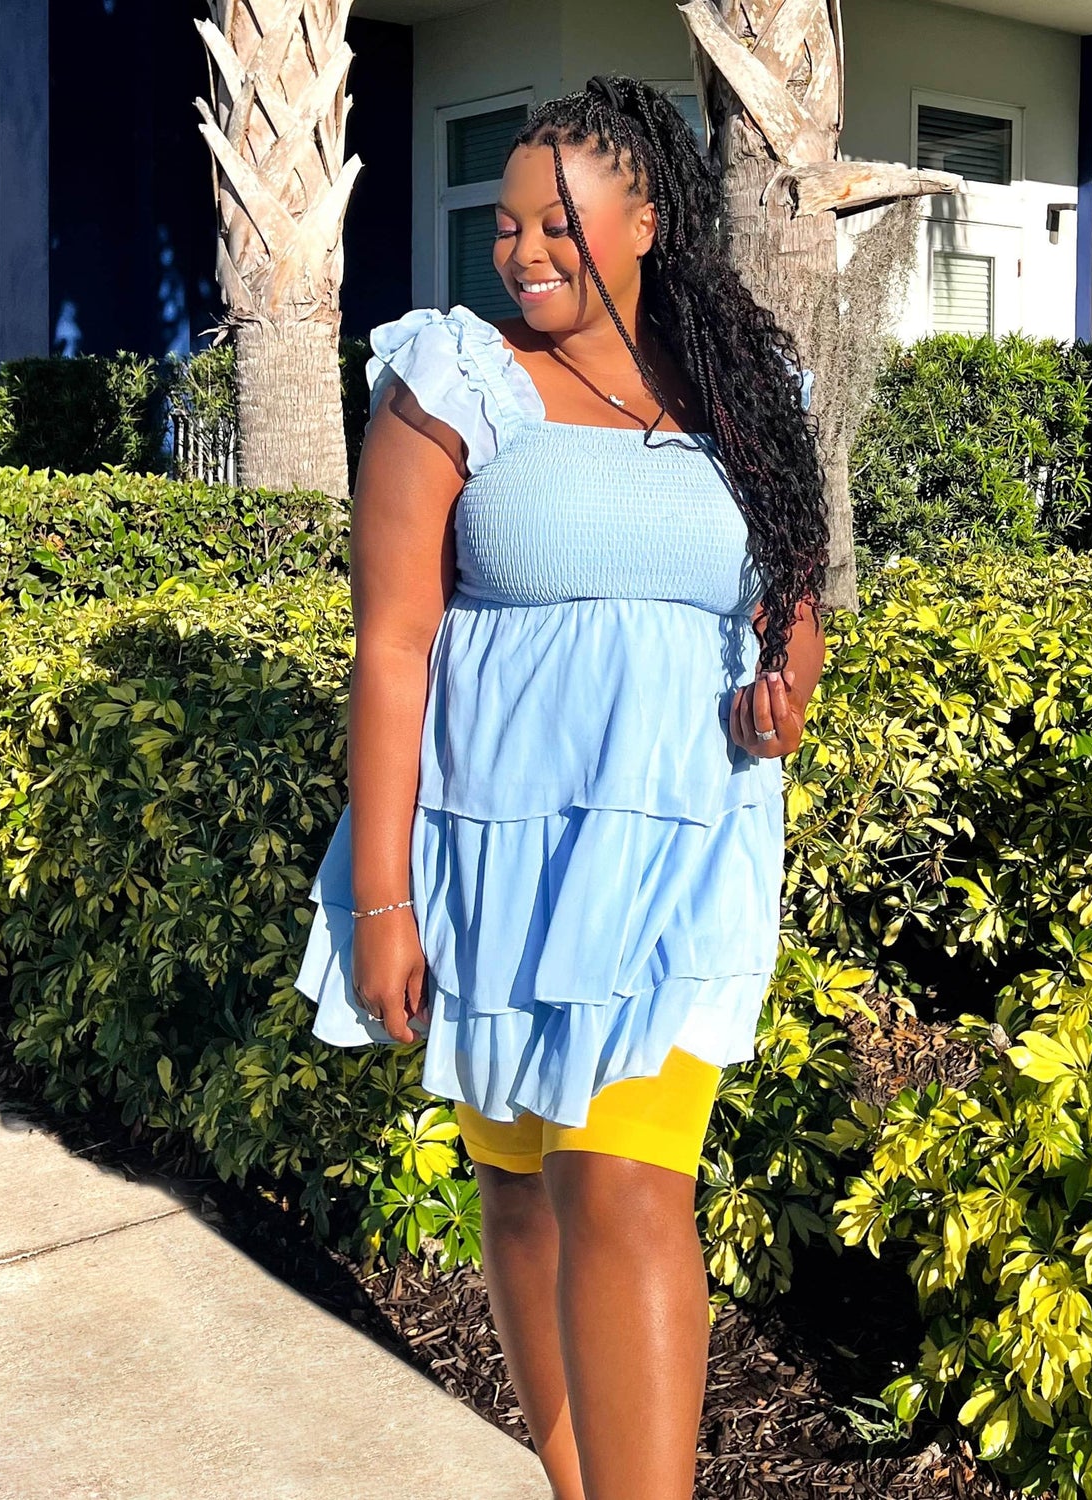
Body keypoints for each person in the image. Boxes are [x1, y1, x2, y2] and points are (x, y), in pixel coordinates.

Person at [294, 73, 828, 1500]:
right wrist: (382, 902)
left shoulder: (744, 393)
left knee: (629, 1182)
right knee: (526, 1192)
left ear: (646, 221)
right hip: (498, 849)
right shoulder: (453, 380)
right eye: (509, 223)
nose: (525, 252)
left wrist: (787, 689)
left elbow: (795, 591)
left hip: (679, 846)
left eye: (560, 225)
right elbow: (393, 646)